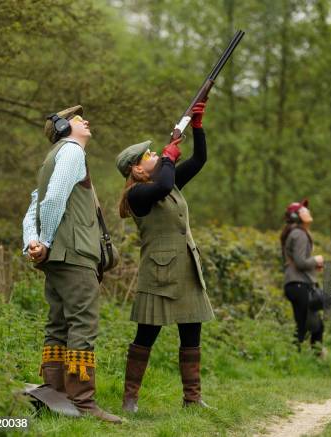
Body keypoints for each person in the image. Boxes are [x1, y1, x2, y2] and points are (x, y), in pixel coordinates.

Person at [22, 105, 121, 423]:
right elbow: (52, 200)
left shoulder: (50, 159)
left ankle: (54, 397)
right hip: (75, 255)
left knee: (58, 324)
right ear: (64, 126)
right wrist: (47, 241)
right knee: (82, 323)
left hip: (58, 257)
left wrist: (33, 243)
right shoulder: (72, 152)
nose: (85, 122)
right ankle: (82, 403)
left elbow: (32, 208)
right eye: (79, 119)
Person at [116, 101, 214, 412]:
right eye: (149, 156)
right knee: (145, 335)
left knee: (192, 333)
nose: (155, 155)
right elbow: (164, 185)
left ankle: (192, 399)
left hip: (186, 267)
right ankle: (130, 399)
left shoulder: (165, 184)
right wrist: (169, 157)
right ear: (136, 169)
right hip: (158, 273)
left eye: (156, 153)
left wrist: (196, 127)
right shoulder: (137, 195)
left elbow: (199, 160)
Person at [281, 199, 326, 356]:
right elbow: (300, 262)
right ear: (296, 216)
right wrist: (316, 260)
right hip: (298, 285)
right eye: (304, 210)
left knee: (311, 325)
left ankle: (308, 358)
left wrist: (313, 265)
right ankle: (301, 359)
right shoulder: (299, 234)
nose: (308, 211)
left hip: (296, 284)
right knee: (307, 325)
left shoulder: (296, 232)